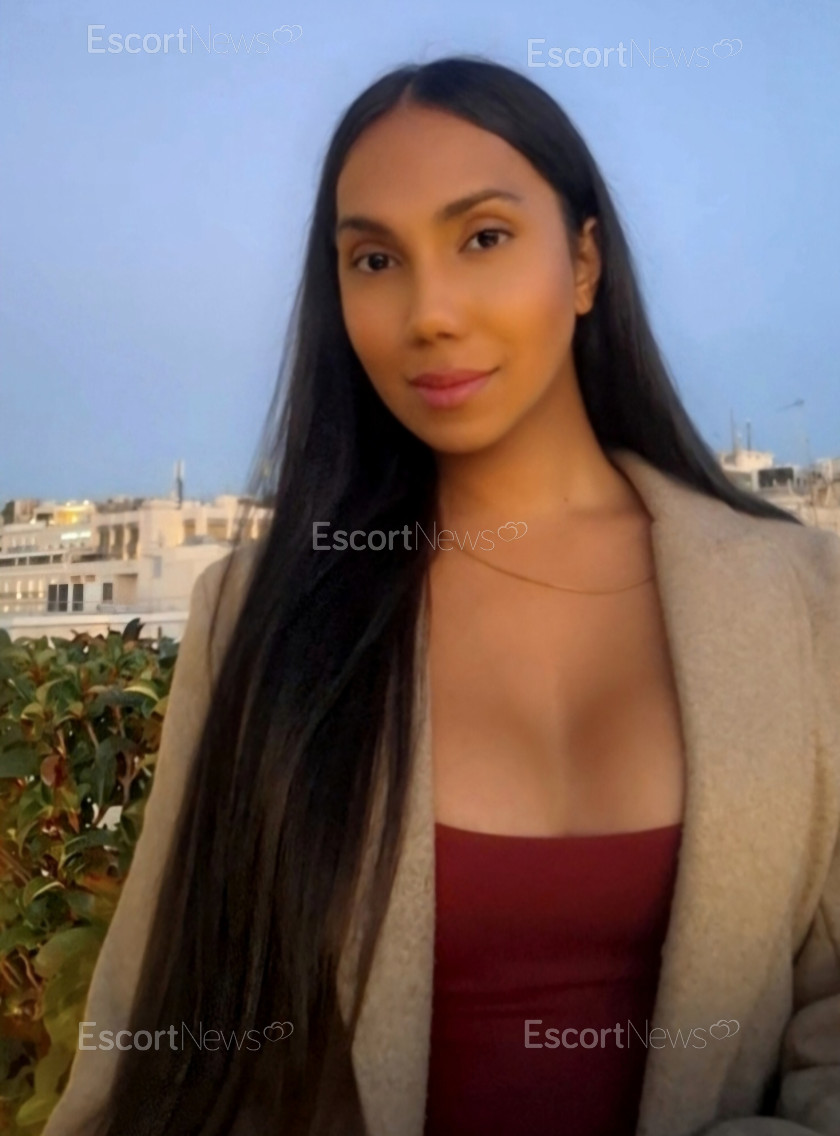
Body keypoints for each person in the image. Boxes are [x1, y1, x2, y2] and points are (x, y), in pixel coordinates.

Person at [42, 55, 840, 1136]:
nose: (430, 312)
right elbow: (152, 1028)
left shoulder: (801, 601)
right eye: (375, 259)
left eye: (484, 238)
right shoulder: (262, 613)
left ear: (585, 262)